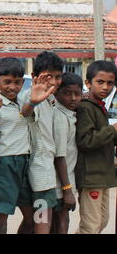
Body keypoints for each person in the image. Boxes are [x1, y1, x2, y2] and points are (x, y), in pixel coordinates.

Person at [0, 58, 51, 234]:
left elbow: (28, 110)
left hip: (25, 163)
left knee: (32, 218)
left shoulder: (23, 103)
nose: (12, 87)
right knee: (1, 221)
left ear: (23, 83)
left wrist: (34, 100)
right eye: (7, 82)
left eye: (17, 82)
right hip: (4, 166)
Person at [20, 51, 63, 234]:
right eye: (48, 77)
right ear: (34, 77)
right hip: (40, 173)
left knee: (32, 222)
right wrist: (32, 102)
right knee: (42, 222)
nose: (53, 82)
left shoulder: (51, 98)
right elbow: (26, 111)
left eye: (57, 77)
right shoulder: (31, 97)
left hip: (44, 172)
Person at [75, 60, 117, 234]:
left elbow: (105, 138)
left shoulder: (100, 107)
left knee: (102, 222)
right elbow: (86, 141)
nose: (105, 87)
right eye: (100, 82)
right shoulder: (85, 108)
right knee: (91, 226)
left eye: (110, 83)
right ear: (88, 83)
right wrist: (113, 130)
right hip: (91, 176)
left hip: (103, 177)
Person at [50, 72, 82, 234]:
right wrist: (67, 190)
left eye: (77, 94)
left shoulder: (69, 114)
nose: (73, 98)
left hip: (63, 183)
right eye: (67, 93)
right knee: (61, 220)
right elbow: (59, 156)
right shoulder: (60, 117)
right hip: (59, 185)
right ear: (56, 93)